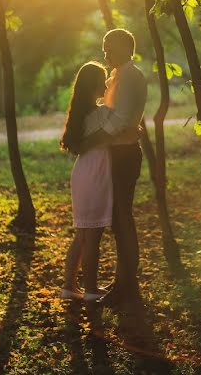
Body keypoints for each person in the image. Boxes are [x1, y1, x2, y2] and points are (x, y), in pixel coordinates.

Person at [78, 29, 147, 309]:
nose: (104, 53)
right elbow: (106, 113)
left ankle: (127, 285)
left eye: (109, 47)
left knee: (122, 219)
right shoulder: (115, 76)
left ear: (125, 47)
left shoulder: (132, 77)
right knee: (117, 220)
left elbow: (118, 121)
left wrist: (83, 142)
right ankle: (123, 282)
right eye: (104, 47)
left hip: (124, 155)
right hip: (112, 154)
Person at [59, 61, 115, 302]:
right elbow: (130, 128)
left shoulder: (80, 115)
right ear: (94, 84)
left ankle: (69, 286)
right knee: (92, 237)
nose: (106, 85)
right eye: (103, 80)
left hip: (83, 172)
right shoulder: (102, 114)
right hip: (95, 174)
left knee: (82, 235)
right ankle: (91, 290)